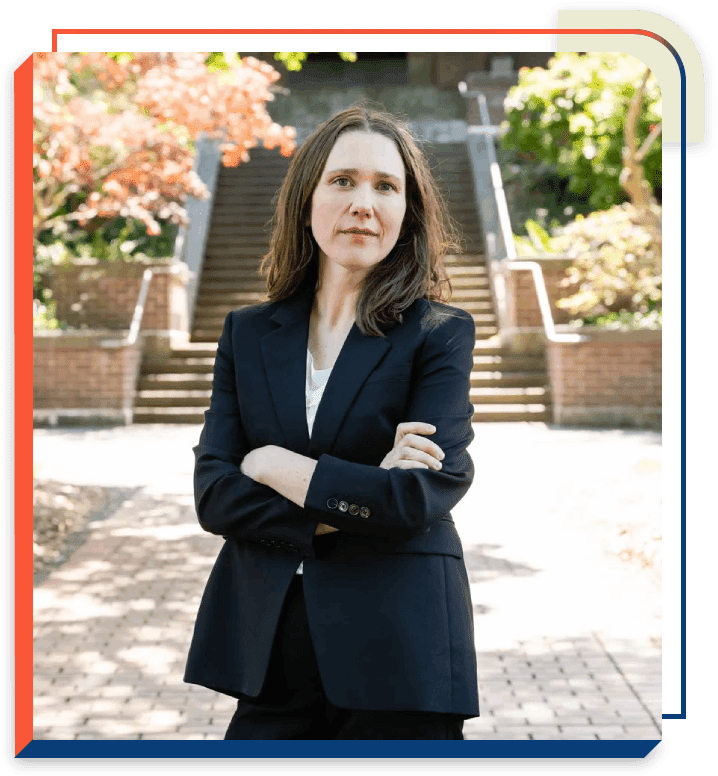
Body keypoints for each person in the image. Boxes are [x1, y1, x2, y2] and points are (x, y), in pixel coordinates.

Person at [184, 105, 480, 740]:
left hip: (403, 646)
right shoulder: (248, 333)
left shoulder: (438, 334)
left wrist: (273, 465)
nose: (363, 204)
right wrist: (361, 490)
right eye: (342, 181)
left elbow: (418, 493)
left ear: (408, 211)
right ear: (307, 198)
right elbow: (215, 495)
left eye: (385, 186)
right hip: (269, 647)